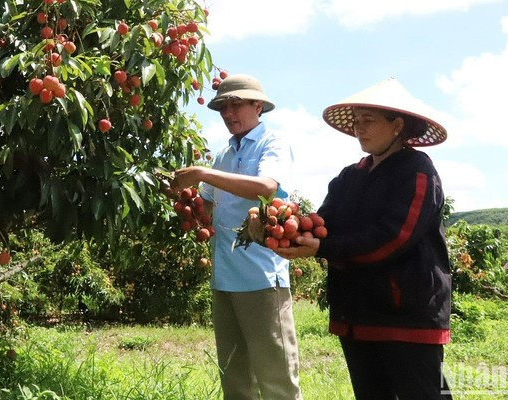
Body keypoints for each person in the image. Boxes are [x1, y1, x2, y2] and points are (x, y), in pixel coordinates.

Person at [274, 77, 452, 400]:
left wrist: (324, 247)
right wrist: (287, 227)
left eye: (368, 120)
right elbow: (324, 223)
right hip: (357, 315)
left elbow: (394, 238)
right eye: (356, 121)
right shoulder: (349, 177)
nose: (359, 128)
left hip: (406, 318)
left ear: (397, 125)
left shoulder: (418, 171)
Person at [170, 74, 302, 400]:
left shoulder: (272, 144)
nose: (229, 114)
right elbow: (207, 211)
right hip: (224, 278)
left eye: (236, 105)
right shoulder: (224, 156)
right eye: (223, 108)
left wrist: (200, 173)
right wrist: (180, 197)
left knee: (277, 380)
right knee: (235, 379)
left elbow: (267, 188)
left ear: (258, 105)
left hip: (260, 279)